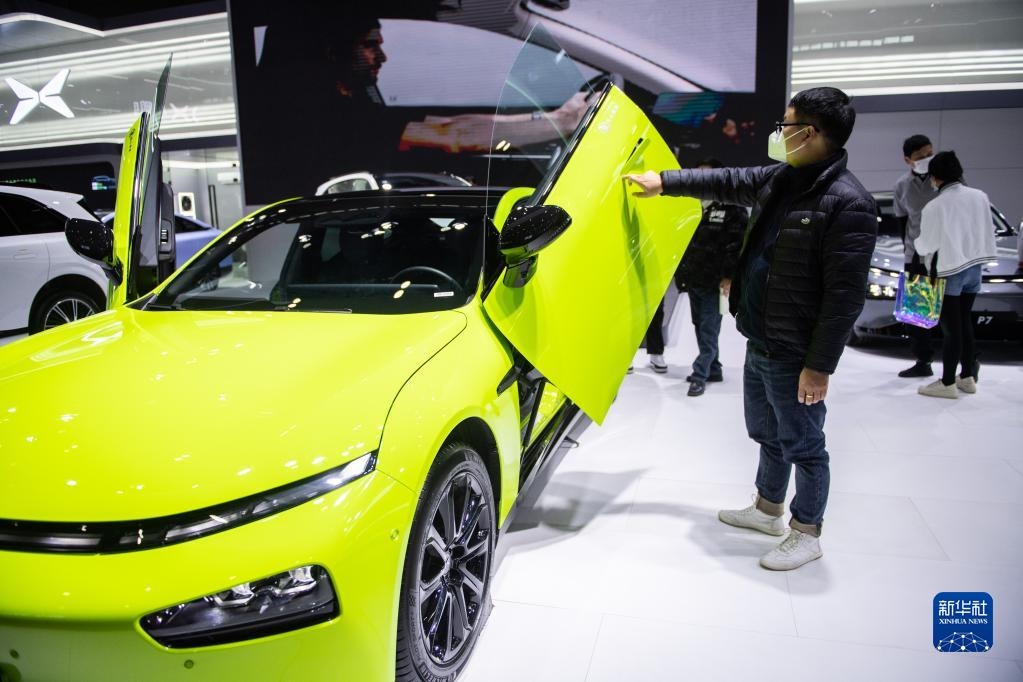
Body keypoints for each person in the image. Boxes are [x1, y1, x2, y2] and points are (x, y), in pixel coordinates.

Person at [624, 87, 877, 571]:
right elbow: (726, 179)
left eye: (786, 124)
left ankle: (807, 532)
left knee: (805, 445)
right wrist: (664, 182)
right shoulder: (781, 178)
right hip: (760, 335)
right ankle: (767, 508)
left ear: (811, 133)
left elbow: (845, 299)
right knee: (766, 432)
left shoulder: (849, 204)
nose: (778, 132)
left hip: (797, 350)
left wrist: (819, 367)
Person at [913, 151, 996, 399]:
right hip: (975, 268)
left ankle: (948, 382)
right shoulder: (980, 196)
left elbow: (926, 245)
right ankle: (967, 377)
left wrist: (917, 245)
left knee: (951, 330)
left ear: (935, 177)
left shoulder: (935, 206)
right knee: (965, 323)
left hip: (950, 270)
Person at [675, 157, 747, 397]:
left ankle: (700, 375)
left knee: (708, 328)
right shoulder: (693, 204)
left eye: (705, 174)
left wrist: (729, 277)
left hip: (715, 282)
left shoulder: (733, 207)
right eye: (697, 174)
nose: (700, 179)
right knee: (700, 325)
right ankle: (714, 368)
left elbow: (737, 245)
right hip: (695, 277)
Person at [893, 134, 939, 378]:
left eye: (930, 154)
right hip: (915, 256)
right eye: (921, 157)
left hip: (944, 256)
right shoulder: (902, 185)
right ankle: (923, 361)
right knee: (916, 314)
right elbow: (903, 223)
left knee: (952, 314)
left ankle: (965, 365)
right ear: (907, 160)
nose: (927, 159)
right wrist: (908, 252)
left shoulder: (946, 180)